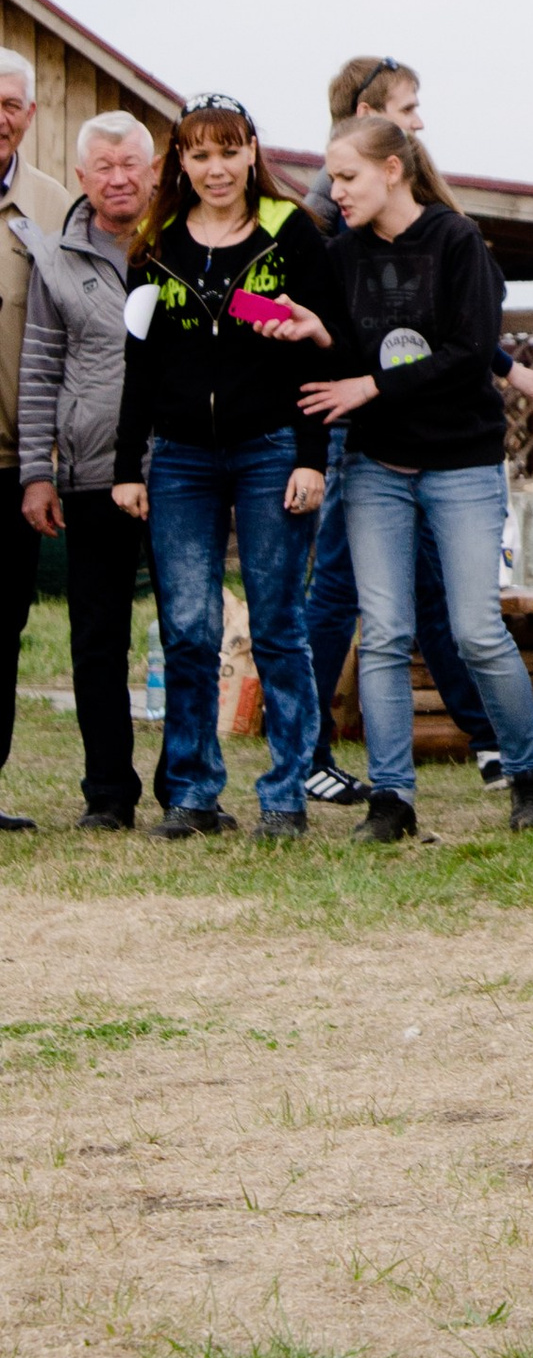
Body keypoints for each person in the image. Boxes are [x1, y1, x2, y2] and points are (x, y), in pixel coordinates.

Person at [299, 59, 533, 805]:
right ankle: (391, 796)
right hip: (380, 466)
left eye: (346, 176)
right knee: (381, 631)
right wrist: (323, 335)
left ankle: (525, 771)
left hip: (462, 466)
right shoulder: (341, 255)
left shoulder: (455, 241)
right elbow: (348, 361)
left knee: (477, 628)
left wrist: (370, 384)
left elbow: (469, 352)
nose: (335, 191)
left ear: (390, 169)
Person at [111, 94, 337, 839]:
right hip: (178, 457)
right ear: (181, 161)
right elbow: (138, 365)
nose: (215, 167)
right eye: (199, 153)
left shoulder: (291, 233)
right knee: (187, 625)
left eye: (228, 150)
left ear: (251, 153)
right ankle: (193, 792)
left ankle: (285, 795)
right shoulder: (156, 241)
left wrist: (312, 458)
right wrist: (128, 464)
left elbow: (318, 346)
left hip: (271, 446)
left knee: (277, 624)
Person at [18, 112, 160, 827]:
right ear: (81, 176)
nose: (118, 176)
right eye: (103, 165)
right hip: (90, 471)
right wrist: (35, 474)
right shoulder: (58, 254)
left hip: (180, 468)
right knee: (96, 637)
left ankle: (187, 787)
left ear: (154, 168)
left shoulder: (183, 245)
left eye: (130, 162)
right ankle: (108, 792)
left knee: (188, 630)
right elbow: (40, 368)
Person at [0, 52, 70, 832]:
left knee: (3, 626)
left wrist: (44, 463)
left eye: (13, 102)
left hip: (15, 466)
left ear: (31, 113)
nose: (1, 114)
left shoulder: (52, 205)